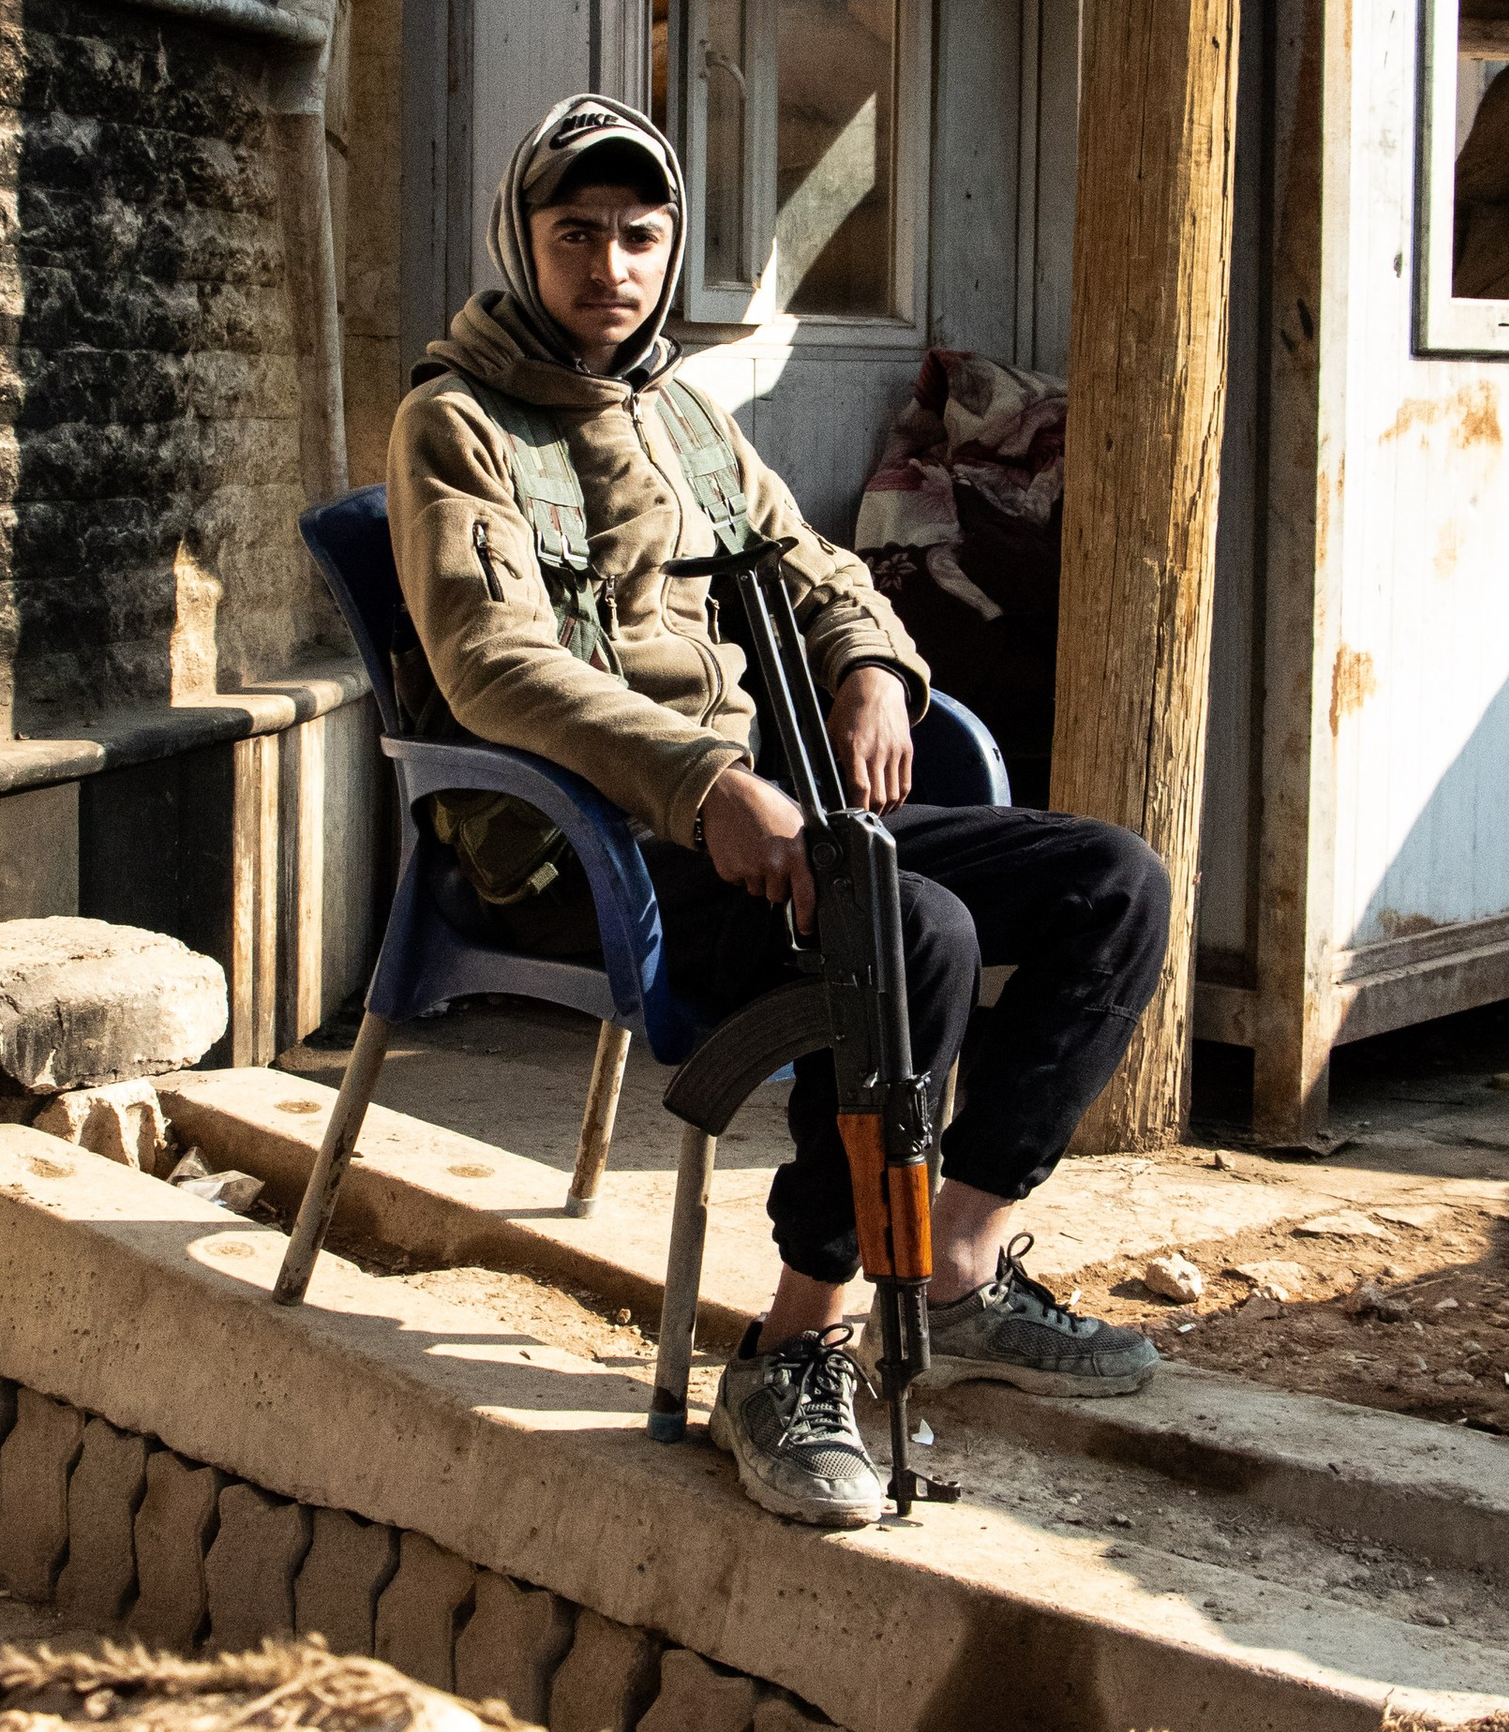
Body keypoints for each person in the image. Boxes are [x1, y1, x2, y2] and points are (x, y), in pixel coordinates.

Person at [386, 91, 1172, 1531]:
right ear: (522, 241)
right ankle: (796, 1345)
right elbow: (491, 664)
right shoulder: (457, 420)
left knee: (1112, 883)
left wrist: (875, 668)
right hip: (590, 840)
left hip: (768, 821)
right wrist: (701, 783)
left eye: (639, 236)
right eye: (576, 235)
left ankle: (958, 1262)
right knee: (908, 934)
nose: (610, 267)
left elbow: (817, 566)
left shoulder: (680, 414)